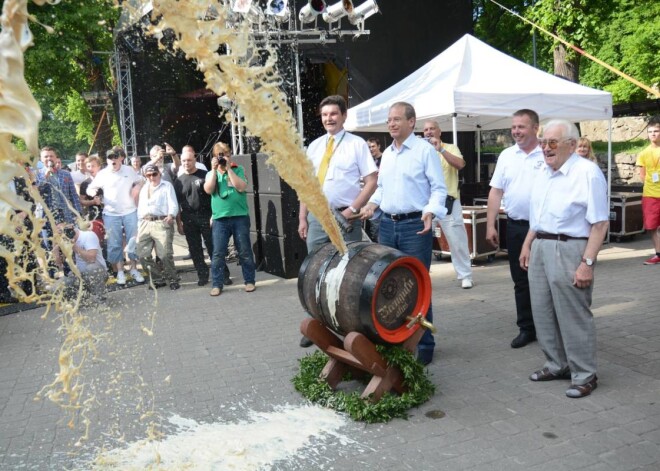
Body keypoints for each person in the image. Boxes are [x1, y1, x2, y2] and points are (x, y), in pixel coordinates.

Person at [519, 119, 608, 399]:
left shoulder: (587, 173)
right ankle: (556, 364)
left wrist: (587, 263)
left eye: (552, 142)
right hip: (541, 246)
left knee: (573, 314)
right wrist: (527, 244)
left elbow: (599, 224)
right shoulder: (544, 172)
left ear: (571, 144)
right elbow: (539, 216)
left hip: (570, 248)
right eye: (543, 142)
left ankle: (585, 374)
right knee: (542, 311)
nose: (545, 148)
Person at [359, 102, 447, 366]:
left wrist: (431, 211)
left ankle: (425, 345)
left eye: (397, 119)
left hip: (414, 227)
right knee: (390, 285)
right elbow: (382, 189)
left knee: (417, 285)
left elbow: (439, 188)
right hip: (387, 225)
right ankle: (397, 339)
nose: (392, 124)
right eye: (389, 120)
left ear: (412, 122)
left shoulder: (424, 151)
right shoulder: (386, 153)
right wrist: (371, 204)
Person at [298, 95, 378, 347]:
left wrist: (352, 209)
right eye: (324, 115)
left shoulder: (357, 144)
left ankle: (348, 326)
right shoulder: (314, 146)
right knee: (314, 270)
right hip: (316, 215)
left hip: (346, 217)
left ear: (344, 116)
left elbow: (372, 181)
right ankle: (317, 324)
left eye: (333, 114)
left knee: (346, 270)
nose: (328, 119)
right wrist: (303, 217)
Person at [486, 109, 544, 349]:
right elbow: (496, 191)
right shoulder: (507, 156)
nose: (516, 131)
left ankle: (550, 327)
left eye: (521, 127)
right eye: (514, 127)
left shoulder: (548, 153)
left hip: (545, 230)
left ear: (535, 128)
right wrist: (490, 225)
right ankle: (527, 328)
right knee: (521, 280)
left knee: (547, 280)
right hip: (517, 227)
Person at [424, 120, 473, 289]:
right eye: (425, 130)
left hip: (448, 202)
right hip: (425, 204)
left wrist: (441, 150)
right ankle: (420, 277)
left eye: (432, 129)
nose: (428, 132)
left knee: (457, 241)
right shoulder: (420, 150)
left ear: (439, 131)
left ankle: (465, 275)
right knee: (420, 241)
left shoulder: (450, 147)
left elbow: (460, 164)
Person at [86, 146, 145, 285]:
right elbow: (90, 189)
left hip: (130, 211)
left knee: (133, 242)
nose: (112, 160)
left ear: (121, 158)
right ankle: (119, 271)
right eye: (109, 157)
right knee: (114, 243)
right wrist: (94, 195)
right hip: (111, 214)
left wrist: (138, 186)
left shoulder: (129, 170)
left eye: (115, 157)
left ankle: (133, 268)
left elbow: (141, 180)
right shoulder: (102, 174)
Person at [203, 143, 256, 296]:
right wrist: (214, 170)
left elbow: (241, 187)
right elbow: (208, 189)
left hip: (240, 216)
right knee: (218, 253)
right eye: (220, 154)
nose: (223, 157)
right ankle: (217, 284)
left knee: (244, 250)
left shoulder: (238, 169)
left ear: (230, 154)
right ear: (214, 156)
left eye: (226, 154)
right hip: (220, 219)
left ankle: (249, 281)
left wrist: (229, 169)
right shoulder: (210, 173)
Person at [174, 146, 231, 286]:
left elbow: (214, 196)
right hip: (188, 219)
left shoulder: (205, 174)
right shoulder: (178, 181)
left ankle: (223, 275)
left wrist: (214, 216)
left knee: (214, 248)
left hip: (207, 216)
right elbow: (177, 205)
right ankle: (203, 275)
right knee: (195, 249)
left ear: (195, 159)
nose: (186, 163)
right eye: (183, 161)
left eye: (189, 160)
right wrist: (179, 223)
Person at [36, 146, 83, 278]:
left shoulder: (65, 174)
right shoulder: (37, 175)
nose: (49, 159)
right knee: (48, 247)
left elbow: (73, 195)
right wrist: (46, 175)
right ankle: (52, 277)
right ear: (41, 159)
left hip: (65, 216)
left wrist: (79, 215)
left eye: (51, 156)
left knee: (67, 245)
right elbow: (35, 193)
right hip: (45, 218)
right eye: (46, 156)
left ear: (56, 158)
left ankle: (70, 275)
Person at [136, 163, 180, 290]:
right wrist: (139, 226)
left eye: (154, 174)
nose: (151, 177)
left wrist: (171, 215)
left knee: (165, 254)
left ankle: (173, 278)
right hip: (145, 222)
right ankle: (157, 279)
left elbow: (173, 203)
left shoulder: (167, 186)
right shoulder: (144, 188)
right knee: (142, 254)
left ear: (159, 174)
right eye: (148, 175)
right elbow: (140, 208)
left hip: (161, 221)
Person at [58, 225, 109, 304]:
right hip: (80, 276)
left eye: (63, 232)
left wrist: (74, 246)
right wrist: (56, 244)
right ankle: (82, 298)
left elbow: (91, 259)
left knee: (92, 269)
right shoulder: (63, 241)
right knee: (56, 287)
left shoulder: (88, 236)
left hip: (98, 273)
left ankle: (101, 299)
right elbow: (58, 263)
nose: (62, 235)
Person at [635, 116, 660, 265]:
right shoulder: (644, 153)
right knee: (652, 227)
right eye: (650, 131)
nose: (653, 134)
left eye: (656, 131)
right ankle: (658, 253)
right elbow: (642, 175)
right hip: (650, 194)